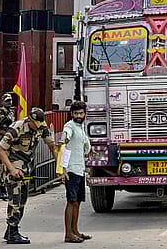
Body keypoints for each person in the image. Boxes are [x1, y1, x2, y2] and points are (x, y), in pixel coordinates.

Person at [0, 107, 59, 244]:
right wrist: (12, 169)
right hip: (13, 166)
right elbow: (1, 149)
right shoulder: (17, 128)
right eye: (35, 124)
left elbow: (50, 144)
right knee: (15, 199)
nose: (37, 127)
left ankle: (10, 231)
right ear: (29, 120)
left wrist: (58, 164)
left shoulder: (41, 126)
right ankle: (13, 233)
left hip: (26, 167)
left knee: (23, 199)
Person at [59, 101, 96, 243]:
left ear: (85, 114)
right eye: (76, 113)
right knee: (71, 201)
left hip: (80, 169)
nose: (78, 116)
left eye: (81, 113)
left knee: (77, 202)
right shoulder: (69, 126)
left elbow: (85, 144)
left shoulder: (81, 127)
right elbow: (66, 136)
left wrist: (91, 150)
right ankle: (68, 234)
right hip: (71, 170)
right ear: (71, 114)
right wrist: (64, 140)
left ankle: (75, 231)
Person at [0, 93, 15, 200]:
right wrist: (3, 133)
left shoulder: (11, 112)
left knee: (7, 164)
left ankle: (6, 186)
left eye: (10, 100)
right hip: (0, 140)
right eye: (7, 101)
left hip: (9, 141)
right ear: (2, 102)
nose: (9, 103)